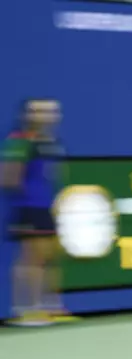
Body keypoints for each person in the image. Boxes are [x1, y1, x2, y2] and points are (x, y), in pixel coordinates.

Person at [0, 98, 77, 327]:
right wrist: (25, 195)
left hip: (46, 207)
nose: (47, 115)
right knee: (31, 258)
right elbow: (7, 177)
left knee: (52, 255)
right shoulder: (18, 141)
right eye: (40, 111)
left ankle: (51, 307)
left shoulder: (53, 142)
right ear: (29, 115)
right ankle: (26, 310)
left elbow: (55, 174)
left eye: (51, 111)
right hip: (27, 208)